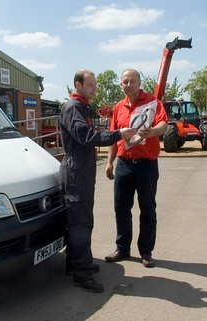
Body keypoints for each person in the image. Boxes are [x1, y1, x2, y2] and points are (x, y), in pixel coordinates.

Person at [59, 69, 134, 293]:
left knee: (81, 220)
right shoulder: (73, 108)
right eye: (90, 85)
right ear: (78, 84)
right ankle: (82, 274)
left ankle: (76, 263)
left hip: (81, 171)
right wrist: (118, 134)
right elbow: (87, 137)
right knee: (81, 223)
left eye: (95, 84)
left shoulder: (82, 106)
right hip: (76, 173)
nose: (94, 88)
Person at [104, 69, 168, 268]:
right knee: (121, 208)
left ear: (140, 83)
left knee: (148, 209)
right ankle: (122, 248)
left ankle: (146, 252)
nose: (128, 85)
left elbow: (164, 124)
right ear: (121, 85)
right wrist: (109, 162)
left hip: (147, 166)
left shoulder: (152, 102)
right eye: (124, 82)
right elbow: (114, 137)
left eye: (132, 81)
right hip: (124, 164)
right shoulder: (118, 107)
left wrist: (153, 132)